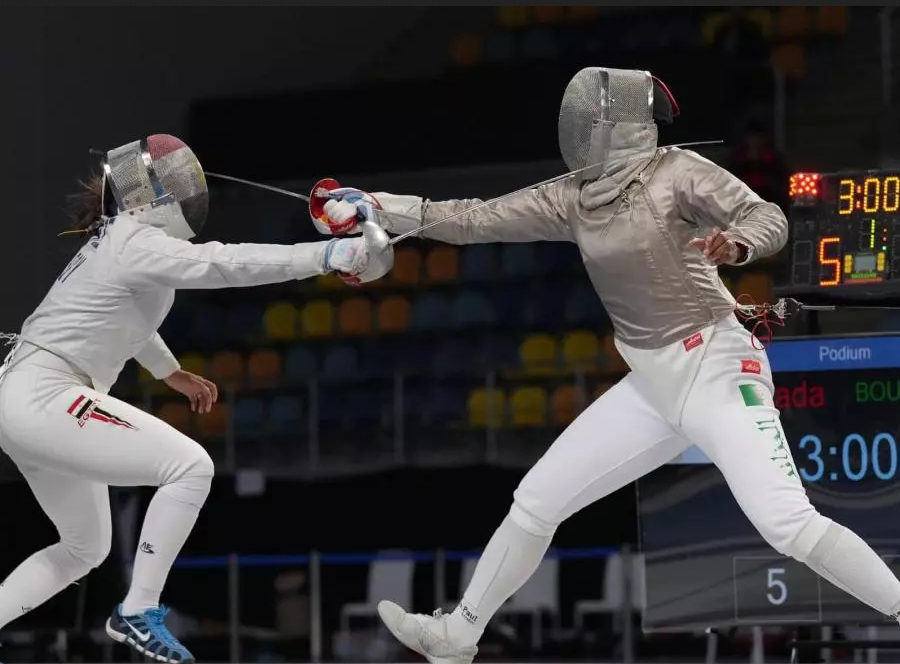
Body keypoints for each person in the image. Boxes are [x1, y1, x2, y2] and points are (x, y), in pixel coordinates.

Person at [314, 68, 900, 664]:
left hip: (717, 367)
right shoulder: (573, 197)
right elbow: (471, 218)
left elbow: (767, 215)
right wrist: (376, 205)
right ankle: (457, 637)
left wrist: (738, 243)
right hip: (650, 386)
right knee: (536, 500)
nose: (573, 130)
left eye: (584, 120)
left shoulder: (678, 172)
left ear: (613, 127)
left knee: (787, 524)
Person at [0, 134, 392, 664]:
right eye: (170, 184)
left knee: (84, 549)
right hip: (46, 395)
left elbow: (121, 317)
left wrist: (171, 372)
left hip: (27, 398)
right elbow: (223, 264)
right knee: (190, 467)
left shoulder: (120, 242)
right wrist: (326, 254)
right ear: (147, 195)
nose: (182, 192)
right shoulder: (133, 242)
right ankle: (137, 611)